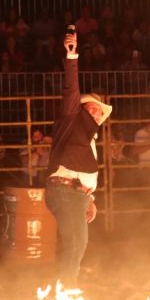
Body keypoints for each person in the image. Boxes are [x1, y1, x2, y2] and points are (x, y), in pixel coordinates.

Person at [44, 30, 112, 284]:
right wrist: (72, 56)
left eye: (98, 112)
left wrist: (89, 199)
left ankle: (64, 291)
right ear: (81, 110)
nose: (96, 113)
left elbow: (84, 176)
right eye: (92, 108)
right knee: (76, 244)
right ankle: (65, 292)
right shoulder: (70, 121)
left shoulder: (89, 140)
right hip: (65, 191)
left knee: (76, 244)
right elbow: (71, 92)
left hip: (73, 194)